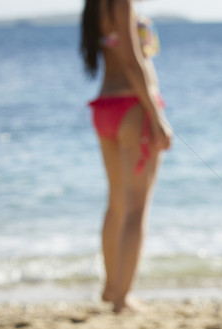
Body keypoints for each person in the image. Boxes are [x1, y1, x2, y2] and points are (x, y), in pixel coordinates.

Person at [80, 0, 172, 313]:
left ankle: (111, 287)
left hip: (106, 107)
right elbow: (134, 62)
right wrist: (157, 114)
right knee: (136, 206)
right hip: (132, 106)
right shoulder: (122, 2)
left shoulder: (97, 5)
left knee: (117, 203)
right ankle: (123, 296)